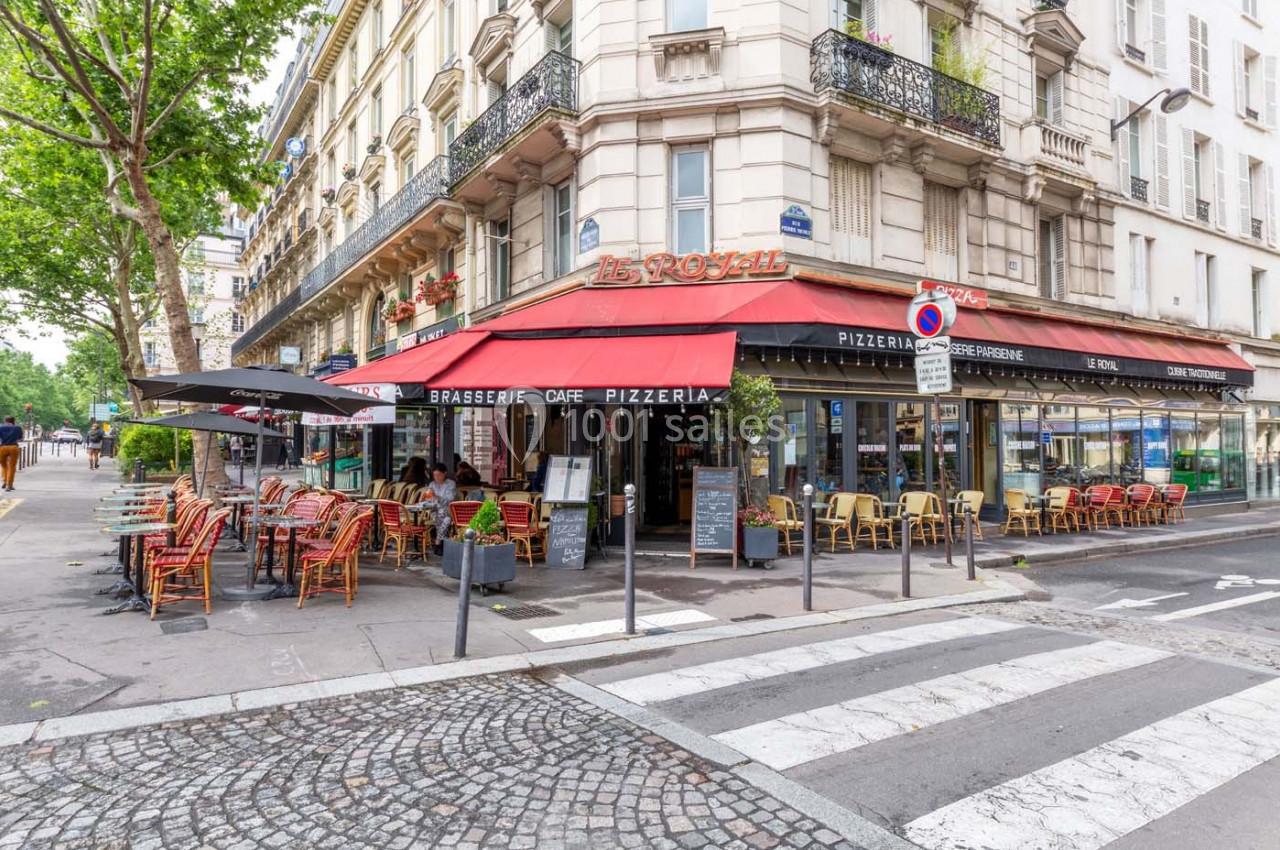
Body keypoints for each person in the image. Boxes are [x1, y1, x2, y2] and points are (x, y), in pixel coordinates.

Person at [425, 463, 457, 554]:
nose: (437, 477)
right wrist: (427, 497)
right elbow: (428, 500)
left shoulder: (450, 484)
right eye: (435, 475)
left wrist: (437, 497)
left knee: (445, 516)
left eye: (439, 475)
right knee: (443, 518)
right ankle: (440, 542)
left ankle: (438, 541)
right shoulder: (432, 484)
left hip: (448, 510)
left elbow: (450, 499)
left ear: (445, 473)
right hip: (435, 511)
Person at [0, 417, 23, 492]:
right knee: (12, 466)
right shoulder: (18, 428)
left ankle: (5, 481)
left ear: (5, 421)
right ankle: (9, 485)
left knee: (4, 466)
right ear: (14, 421)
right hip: (13, 447)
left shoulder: (1, 427)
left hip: (3, 448)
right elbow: (20, 438)